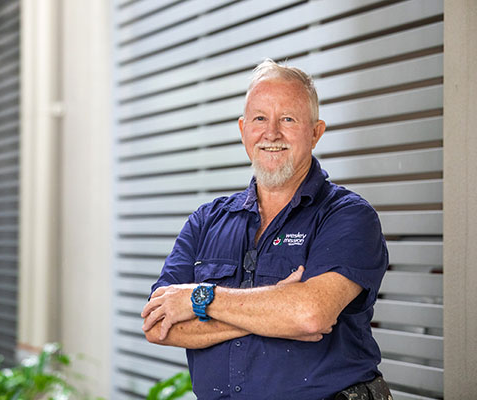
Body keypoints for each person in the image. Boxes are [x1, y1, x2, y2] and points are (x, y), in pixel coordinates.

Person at [141, 59, 391, 400]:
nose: (271, 133)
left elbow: (309, 315)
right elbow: (158, 326)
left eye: (287, 119)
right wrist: (274, 313)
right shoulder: (206, 221)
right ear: (243, 129)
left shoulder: (347, 216)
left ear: (316, 132)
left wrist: (198, 299)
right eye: (260, 118)